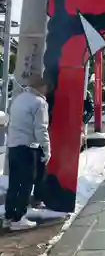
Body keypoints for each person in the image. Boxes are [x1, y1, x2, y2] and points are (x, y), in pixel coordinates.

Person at [4, 74, 51, 231]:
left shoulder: (18, 99)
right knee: (26, 184)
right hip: (27, 147)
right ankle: (19, 218)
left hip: (13, 146)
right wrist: (46, 149)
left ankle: (9, 216)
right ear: (41, 87)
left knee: (14, 183)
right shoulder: (39, 103)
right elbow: (41, 129)